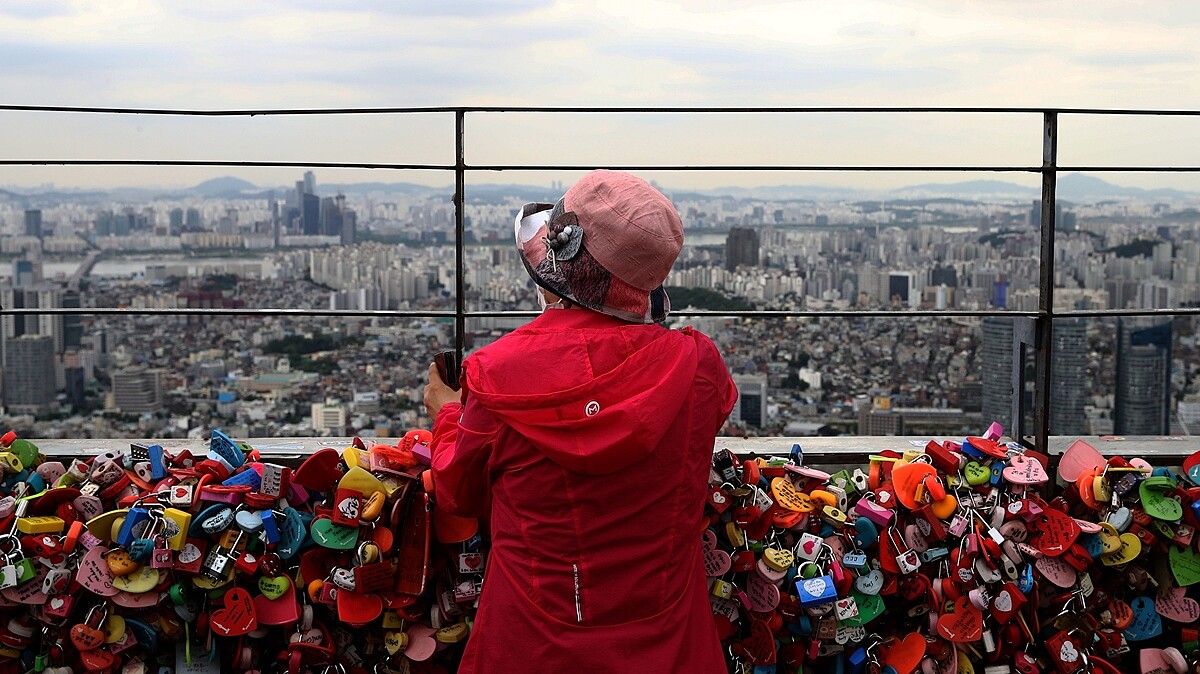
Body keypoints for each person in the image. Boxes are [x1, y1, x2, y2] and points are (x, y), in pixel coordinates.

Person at [424, 170, 736, 673]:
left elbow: (457, 491)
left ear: (559, 264)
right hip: (670, 641)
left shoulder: (499, 375)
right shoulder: (697, 367)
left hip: (533, 639)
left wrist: (448, 413)